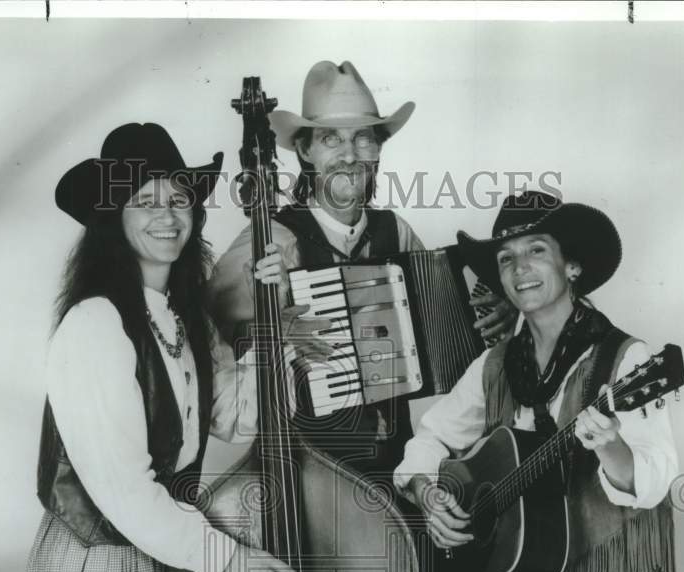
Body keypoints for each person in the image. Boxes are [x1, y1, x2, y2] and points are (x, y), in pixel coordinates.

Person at [17, 123, 305, 572]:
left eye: (179, 199)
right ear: (112, 218)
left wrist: (271, 316)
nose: (169, 216)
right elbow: (124, 492)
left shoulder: (184, 316)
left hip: (166, 557)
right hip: (100, 565)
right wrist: (229, 559)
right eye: (145, 201)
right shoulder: (95, 324)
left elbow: (237, 421)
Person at [393, 190, 679, 572]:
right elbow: (429, 441)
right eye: (506, 258)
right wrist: (428, 493)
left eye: (536, 251)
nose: (519, 268)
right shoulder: (494, 364)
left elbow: (654, 478)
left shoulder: (625, 359)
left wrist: (610, 444)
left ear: (572, 266)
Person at [207, 60, 516, 477]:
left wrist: (499, 306)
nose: (350, 156)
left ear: (378, 149)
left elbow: (442, 321)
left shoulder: (396, 231)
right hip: (308, 469)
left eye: (364, 139)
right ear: (305, 150)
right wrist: (271, 326)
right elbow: (207, 342)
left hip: (394, 458)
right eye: (331, 139)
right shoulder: (272, 240)